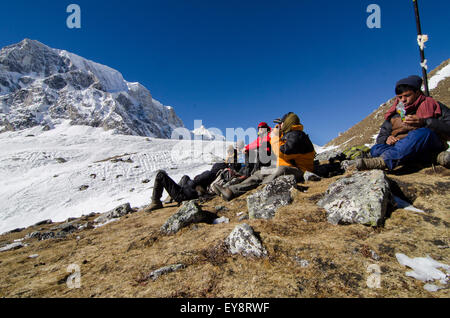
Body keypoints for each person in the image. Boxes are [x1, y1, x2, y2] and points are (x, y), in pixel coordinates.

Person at [213, 112, 316, 201]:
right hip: (288, 166)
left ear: (287, 123)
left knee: (280, 170)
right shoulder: (289, 135)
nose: (279, 125)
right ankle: (230, 191)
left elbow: (282, 153)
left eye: (281, 123)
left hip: (301, 170)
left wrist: (275, 136)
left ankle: (263, 186)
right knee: (260, 173)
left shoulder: (297, 136)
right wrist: (277, 133)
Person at [356, 75, 450, 171]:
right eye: (399, 97)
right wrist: (387, 139)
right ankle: (431, 158)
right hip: (400, 146)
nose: (403, 100)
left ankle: (383, 161)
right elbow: (381, 136)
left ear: (417, 92)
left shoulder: (434, 105)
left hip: (429, 143)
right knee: (376, 149)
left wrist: (425, 122)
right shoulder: (395, 113)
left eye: (407, 95)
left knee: (423, 133)